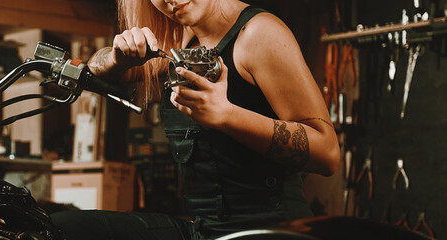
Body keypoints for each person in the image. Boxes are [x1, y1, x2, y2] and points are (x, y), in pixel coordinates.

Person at [51, 0, 340, 239]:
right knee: (59, 228)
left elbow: (327, 153)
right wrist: (117, 56)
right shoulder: (179, 37)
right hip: (203, 231)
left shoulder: (259, 34)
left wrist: (227, 115)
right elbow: (93, 69)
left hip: (269, 230)